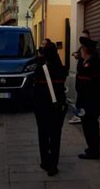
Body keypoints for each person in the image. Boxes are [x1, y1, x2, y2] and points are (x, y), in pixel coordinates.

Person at [33, 42, 68, 176]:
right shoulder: (62, 70)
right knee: (55, 135)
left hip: (42, 107)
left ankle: (45, 161)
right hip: (58, 107)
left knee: (43, 134)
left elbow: (35, 88)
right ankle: (53, 165)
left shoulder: (40, 69)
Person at [76, 43, 100, 160]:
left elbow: (82, 86)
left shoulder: (88, 66)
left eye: (81, 50)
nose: (80, 52)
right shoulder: (99, 64)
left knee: (89, 126)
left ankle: (93, 151)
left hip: (88, 102)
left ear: (86, 51)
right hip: (96, 100)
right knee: (93, 125)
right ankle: (93, 148)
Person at [68, 29, 97, 124]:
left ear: (89, 37)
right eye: (82, 37)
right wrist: (76, 55)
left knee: (82, 97)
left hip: (85, 78)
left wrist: (79, 56)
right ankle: (79, 114)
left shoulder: (91, 49)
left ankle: (79, 115)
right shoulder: (81, 48)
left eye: (84, 37)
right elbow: (77, 55)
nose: (82, 39)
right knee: (79, 96)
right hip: (79, 75)